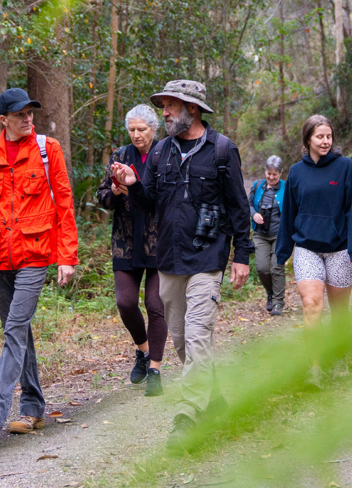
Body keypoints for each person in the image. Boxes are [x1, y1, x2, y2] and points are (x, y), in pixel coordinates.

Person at [111, 80, 252, 447]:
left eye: (171, 106)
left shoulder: (222, 150)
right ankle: (216, 400)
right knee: (183, 341)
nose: (165, 112)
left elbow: (239, 207)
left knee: (199, 335)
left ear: (192, 109)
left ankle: (187, 415)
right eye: (164, 106)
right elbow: (150, 204)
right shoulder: (160, 154)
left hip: (207, 259)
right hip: (169, 260)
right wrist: (132, 185)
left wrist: (242, 256)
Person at [0, 88, 78, 446]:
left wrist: (67, 255)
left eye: (31, 112)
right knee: (19, 332)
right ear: (3, 120)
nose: (28, 119)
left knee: (14, 328)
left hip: (35, 252)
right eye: (21, 114)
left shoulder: (47, 150)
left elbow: (64, 202)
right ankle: (33, 406)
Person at [276, 115, 352, 389]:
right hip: (307, 248)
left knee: (339, 310)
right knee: (311, 305)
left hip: (339, 249)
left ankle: (339, 358)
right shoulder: (296, 172)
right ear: (308, 140)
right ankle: (314, 367)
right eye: (319, 137)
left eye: (328, 136)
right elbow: (289, 213)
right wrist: (282, 250)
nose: (325, 141)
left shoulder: (345, 167)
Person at [96, 104, 167, 396]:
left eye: (142, 129)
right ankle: (143, 350)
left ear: (154, 129)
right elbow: (102, 196)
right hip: (125, 241)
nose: (136, 135)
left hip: (160, 240)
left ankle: (156, 370)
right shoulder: (120, 156)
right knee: (126, 303)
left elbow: (169, 198)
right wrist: (112, 191)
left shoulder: (166, 154)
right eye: (132, 130)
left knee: (155, 304)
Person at [249, 156, 286, 316]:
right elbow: (248, 204)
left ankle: (278, 302)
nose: (271, 178)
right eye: (269, 174)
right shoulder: (257, 186)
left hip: (280, 234)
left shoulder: (287, 187)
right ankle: (270, 293)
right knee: (262, 268)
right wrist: (254, 214)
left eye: (275, 175)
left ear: (280, 174)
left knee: (276, 267)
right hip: (260, 234)